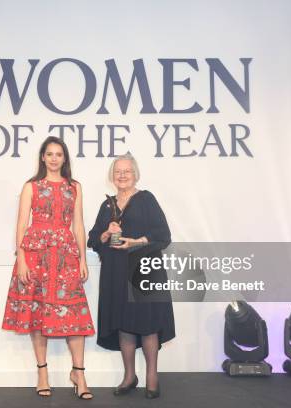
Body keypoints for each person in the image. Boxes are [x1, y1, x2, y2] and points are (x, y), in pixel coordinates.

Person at [2, 136, 95, 400]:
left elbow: (78, 224)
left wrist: (82, 260)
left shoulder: (74, 187)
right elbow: (21, 224)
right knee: (38, 315)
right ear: (42, 157)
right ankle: (42, 372)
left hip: (65, 256)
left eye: (59, 154)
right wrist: (20, 258)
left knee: (75, 318)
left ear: (64, 159)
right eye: (50, 154)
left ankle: (79, 372)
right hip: (35, 255)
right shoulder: (31, 186)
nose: (54, 158)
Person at [88, 153, 175, 399]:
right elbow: (93, 238)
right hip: (115, 272)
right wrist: (106, 233)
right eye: (118, 171)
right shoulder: (107, 205)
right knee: (124, 324)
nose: (122, 175)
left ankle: (151, 377)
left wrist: (134, 242)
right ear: (111, 176)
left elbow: (163, 235)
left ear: (135, 174)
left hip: (144, 269)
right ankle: (129, 376)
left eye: (127, 171)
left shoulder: (146, 199)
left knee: (148, 324)